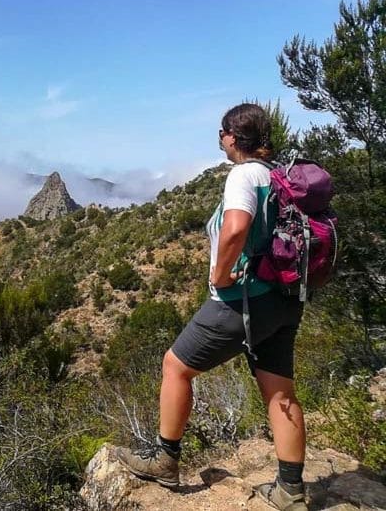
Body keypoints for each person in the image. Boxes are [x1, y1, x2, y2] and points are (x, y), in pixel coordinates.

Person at [116, 103, 308, 511]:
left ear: (233, 138)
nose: (219, 140)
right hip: (282, 300)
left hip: (241, 300)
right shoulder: (278, 174)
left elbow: (236, 227)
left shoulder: (243, 175)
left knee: (175, 366)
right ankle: (290, 489)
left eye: (222, 134)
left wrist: (221, 276)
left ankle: (165, 459)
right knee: (281, 394)